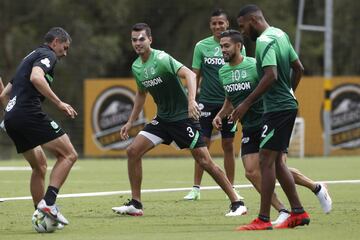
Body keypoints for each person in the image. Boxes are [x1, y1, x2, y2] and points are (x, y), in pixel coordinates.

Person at [111, 23, 246, 217]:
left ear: (150, 40)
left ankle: (237, 202)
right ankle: (136, 204)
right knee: (133, 151)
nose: (137, 43)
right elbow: (141, 94)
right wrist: (131, 121)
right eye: (134, 40)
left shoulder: (162, 58)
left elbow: (190, 74)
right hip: (163, 120)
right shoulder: (136, 66)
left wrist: (191, 100)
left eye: (142, 39)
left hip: (183, 120)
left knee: (205, 161)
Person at [215, 29, 332, 228]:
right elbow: (230, 99)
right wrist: (220, 114)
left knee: (277, 167)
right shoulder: (223, 71)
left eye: (226, 46)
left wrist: (249, 105)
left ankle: (315, 188)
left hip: (267, 119)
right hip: (249, 126)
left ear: (238, 46)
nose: (223, 50)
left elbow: (269, 87)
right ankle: (284, 210)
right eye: (221, 46)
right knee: (252, 172)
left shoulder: (254, 65)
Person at [233, 4, 311, 230]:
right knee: (276, 163)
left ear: (253, 20)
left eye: (243, 26)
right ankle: (298, 212)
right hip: (285, 106)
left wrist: (246, 103)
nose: (243, 32)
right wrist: (291, 93)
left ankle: (263, 219)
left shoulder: (265, 41)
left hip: (277, 109)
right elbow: (299, 68)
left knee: (265, 162)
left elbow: (271, 75)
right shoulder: (281, 34)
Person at [0, 27, 77, 226]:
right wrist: (59, 103)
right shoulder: (47, 54)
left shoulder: (29, 57)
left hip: (11, 118)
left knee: (40, 166)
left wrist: (11, 115)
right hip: (27, 113)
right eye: (64, 47)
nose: (65, 53)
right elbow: (36, 77)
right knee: (69, 154)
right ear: (56, 42)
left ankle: (40, 215)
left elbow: (3, 95)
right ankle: (49, 203)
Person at [184, 8, 245, 201]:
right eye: (214, 23)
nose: (218, 26)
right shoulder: (201, 46)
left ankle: (232, 188)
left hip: (229, 103)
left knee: (228, 144)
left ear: (227, 24)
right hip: (206, 103)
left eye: (221, 23)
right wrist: (191, 99)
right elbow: (194, 75)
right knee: (201, 145)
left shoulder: (236, 44)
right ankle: (196, 188)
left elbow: (243, 68)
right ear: (210, 25)